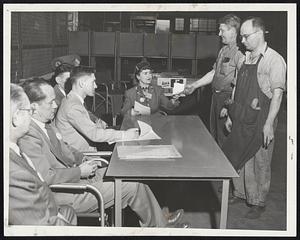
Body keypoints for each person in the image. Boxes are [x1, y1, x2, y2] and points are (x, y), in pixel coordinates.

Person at [19, 78, 188, 228]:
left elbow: (66, 149)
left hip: (76, 178)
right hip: (66, 193)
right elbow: (46, 178)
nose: (55, 105)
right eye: (50, 102)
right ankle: (159, 228)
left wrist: (83, 159)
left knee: (131, 175)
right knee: (131, 186)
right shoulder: (29, 136)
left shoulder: (46, 125)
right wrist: (80, 171)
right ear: (33, 107)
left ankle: (158, 218)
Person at [222, 17, 286, 219]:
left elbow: (278, 94)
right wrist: (231, 115)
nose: (242, 40)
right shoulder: (244, 58)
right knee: (239, 155)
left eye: (245, 36)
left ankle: (258, 202)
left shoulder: (274, 60)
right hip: (241, 115)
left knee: (260, 161)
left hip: (261, 119)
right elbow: (236, 88)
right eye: (241, 35)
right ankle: (240, 193)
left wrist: (268, 124)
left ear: (259, 34)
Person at [9, 83, 77, 225]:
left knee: (68, 212)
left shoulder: (15, 151)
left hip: (53, 207)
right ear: (16, 117)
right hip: (48, 215)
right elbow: (41, 225)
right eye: (29, 110)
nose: (32, 114)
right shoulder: (14, 171)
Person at [184, 14, 244, 147]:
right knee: (214, 136)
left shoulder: (240, 53)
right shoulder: (223, 50)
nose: (219, 33)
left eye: (222, 30)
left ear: (233, 31)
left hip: (226, 99)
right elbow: (213, 73)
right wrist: (195, 85)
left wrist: (229, 106)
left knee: (225, 139)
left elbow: (240, 85)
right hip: (216, 98)